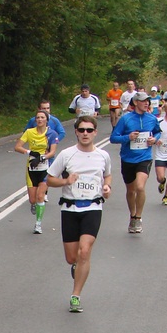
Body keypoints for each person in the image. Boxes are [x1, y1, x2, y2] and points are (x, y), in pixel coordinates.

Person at [46, 117, 112, 313]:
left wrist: (107, 186)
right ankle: (76, 266)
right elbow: (49, 180)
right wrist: (66, 182)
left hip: (92, 207)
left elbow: (107, 175)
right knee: (71, 257)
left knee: (85, 250)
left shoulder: (103, 156)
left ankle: (75, 295)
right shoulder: (66, 155)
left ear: (95, 132)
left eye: (89, 130)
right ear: (76, 132)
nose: (85, 133)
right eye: (81, 130)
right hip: (70, 208)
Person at [109, 90, 160, 234]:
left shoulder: (151, 118)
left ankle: (138, 217)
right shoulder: (126, 119)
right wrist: (127, 137)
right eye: (143, 101)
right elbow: (113, 138)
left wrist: (154, 139)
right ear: (136, 102)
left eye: (148, 101)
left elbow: (157, 131)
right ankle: (132, 215)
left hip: (144, 157)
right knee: (131, 190)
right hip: (127, 158)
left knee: (140, 187)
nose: (147, 103)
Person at [14, 110, 59, 234]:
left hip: (45, 168)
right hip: (31, 169)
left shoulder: (51, 133)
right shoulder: (29, 132)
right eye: (37, 117)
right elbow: (17, 147)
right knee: (32, 199)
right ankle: (34, 204)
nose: (39, 120)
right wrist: (30, 152)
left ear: (46, 120)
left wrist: (42, 158)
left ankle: (38, 224)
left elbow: (52, 152)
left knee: (40, 196)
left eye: (42, 117)